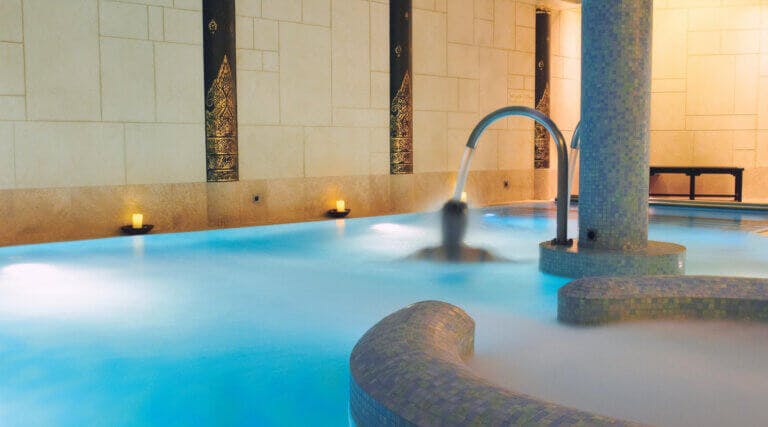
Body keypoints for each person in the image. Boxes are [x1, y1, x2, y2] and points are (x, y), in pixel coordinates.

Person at [408, 200, 503, 263]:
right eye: (451, 224)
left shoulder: (427, 254)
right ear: (465, 225)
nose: (453, 228)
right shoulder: (480, 256)